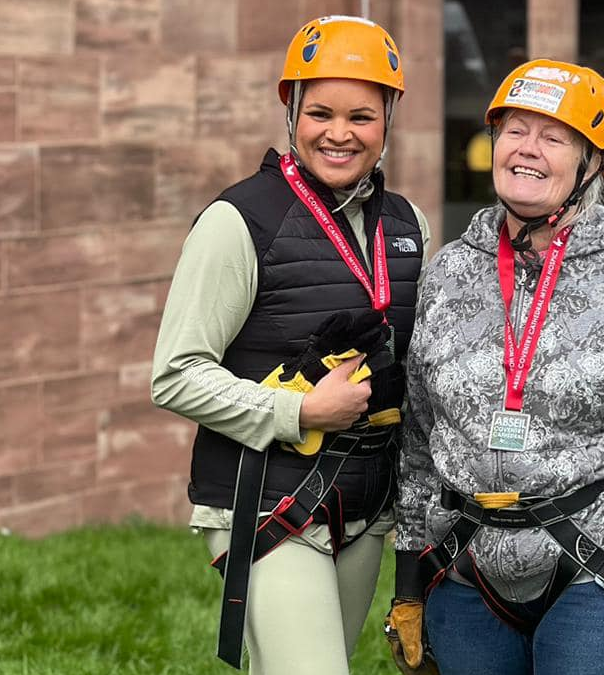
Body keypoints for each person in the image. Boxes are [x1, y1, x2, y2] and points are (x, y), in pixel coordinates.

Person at [387, 59, 604, 675]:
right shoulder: (449, 273)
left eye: (554, 137)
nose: (527, 150)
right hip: (466, 562)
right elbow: (416, 439)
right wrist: (409, 579)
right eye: (514, 130)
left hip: (601, 559)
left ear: (591, 162)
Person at [151, 15, 429, 675]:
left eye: (362, 115)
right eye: (321, 112)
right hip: (267, 504)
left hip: (364, 507)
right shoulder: (238, 222)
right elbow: (175, 374)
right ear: (291, 110)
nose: (340, 132)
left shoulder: (406, 223)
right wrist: (299, 412)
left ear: (388, 119)